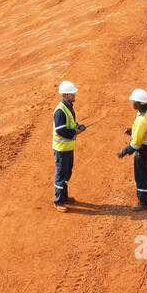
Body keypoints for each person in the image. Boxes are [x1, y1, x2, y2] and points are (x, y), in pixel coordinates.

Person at [116, 88, 147, 211]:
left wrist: (124, 151)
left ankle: (143, 201)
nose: (132, 102)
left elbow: (136, 144)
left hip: (143, 150)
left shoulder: (141, 120)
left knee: (141, 175)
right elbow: (145, 131)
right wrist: (133, 131)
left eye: (133, 101)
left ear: (139, 103)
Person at [53, 80, 87, 209]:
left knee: (67, 172)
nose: (74, 95)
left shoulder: (69, 107)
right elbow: (60, 130)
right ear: (65, 95)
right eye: (72, 93)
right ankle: (58, 201)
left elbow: (70, 124)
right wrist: (74, 131)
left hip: (68, 147)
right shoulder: (60, 111)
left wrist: (77, 126)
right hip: (61, 149)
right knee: (61, 175)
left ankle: (64, 196)